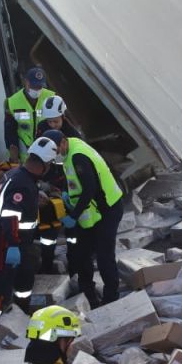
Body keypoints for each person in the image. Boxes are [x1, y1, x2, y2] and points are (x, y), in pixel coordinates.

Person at [0, 138, 59, 333]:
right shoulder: (22, 184)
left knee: (25, 278)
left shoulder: (17, 175)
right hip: (4, 243)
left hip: (16, 243)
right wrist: (14, 245)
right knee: (0, 290)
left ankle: (21, 317)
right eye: (50, 164)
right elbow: (10, 216)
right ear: (44, 164)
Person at [43, 129, 125, 307]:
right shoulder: (69, 150)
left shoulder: (78, 156)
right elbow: (71, 177)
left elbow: (89, 189)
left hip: (108, 209)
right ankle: (88, 294)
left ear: (63, 142)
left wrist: (73, 216)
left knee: (104, 256)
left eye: (56, 151)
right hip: (92, 211)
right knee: (82, 253)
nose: (55, 155)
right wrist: (66, 190)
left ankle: (111, 298)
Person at [4, 67, 56, 164]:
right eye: (34, 86)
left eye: (40, 87)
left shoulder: (51, 98)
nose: (37, 90)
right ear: (26, 82)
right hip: (25, 154)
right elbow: (9, 132)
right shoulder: (12, 103)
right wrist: (14, 158)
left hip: (48, 151)